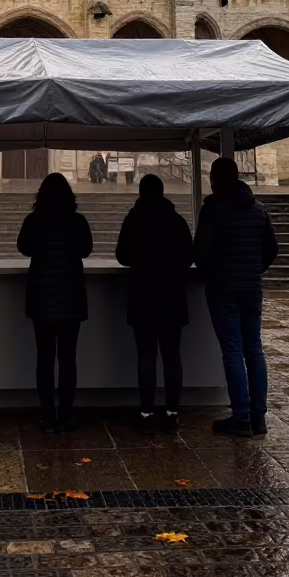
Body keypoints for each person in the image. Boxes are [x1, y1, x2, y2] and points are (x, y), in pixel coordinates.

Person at [194, 157, 278, 438]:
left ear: (216, 179)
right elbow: (271, 250)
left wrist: (214, 275)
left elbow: (201, 253)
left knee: (232, 352)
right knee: (254, 349)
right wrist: (254, 269)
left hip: (224, 289)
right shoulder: (258, 209)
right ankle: (259, 417)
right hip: (252, 289)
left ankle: (241, 417)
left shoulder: (212, 210)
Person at [115, 174, 193, 434]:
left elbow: (121, 256)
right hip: (171, 296)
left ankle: (146, 411)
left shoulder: (133, 220)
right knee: (172, 356)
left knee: (146, 356)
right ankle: (172, 412)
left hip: (143, 296)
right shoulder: (176, 220)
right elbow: (187, 257)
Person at [17, 173, 93, 433]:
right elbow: (86, 249)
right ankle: (67, 414)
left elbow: (23, 247)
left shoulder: (34, 221)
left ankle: (48, 414)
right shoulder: (77, 221)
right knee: (68, 358)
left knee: (45, 358)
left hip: (42, 297)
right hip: (71, 295)